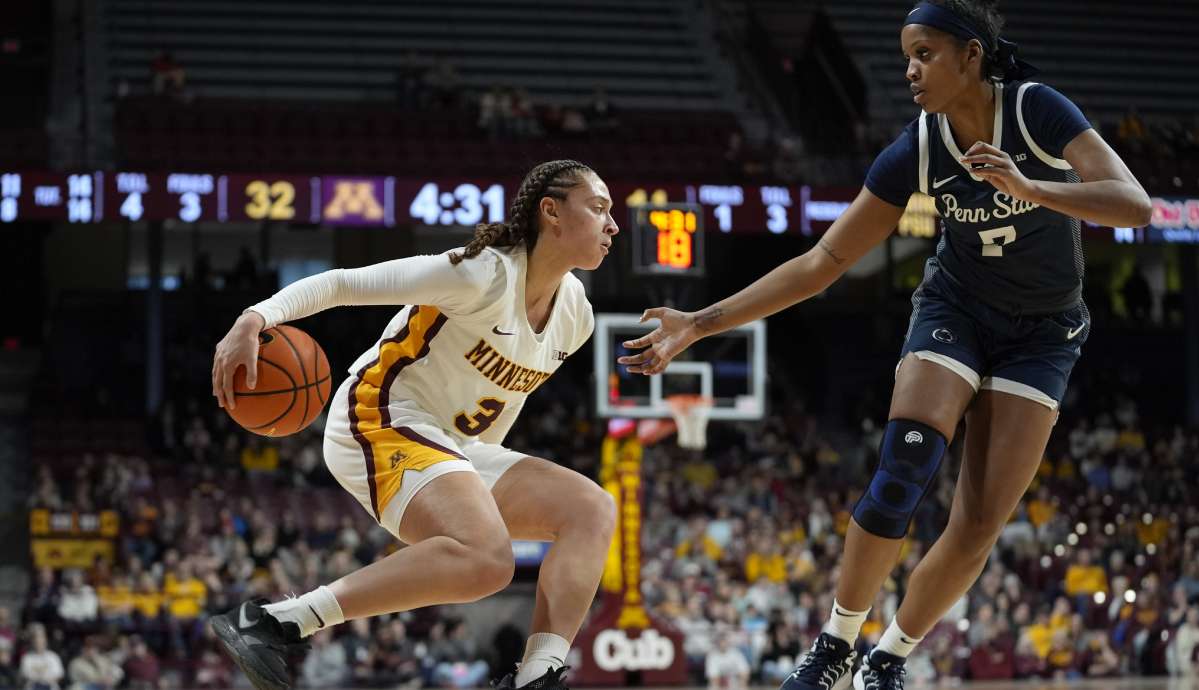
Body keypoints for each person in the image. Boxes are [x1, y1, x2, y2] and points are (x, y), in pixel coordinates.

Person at [620, 2, 1151, 690]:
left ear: (970, 56)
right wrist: (700, 322)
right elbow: (823, 261)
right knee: (905, 462)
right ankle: (836, 642)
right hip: (957, 310)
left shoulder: (1037, 111)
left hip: (1045, 334)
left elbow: (1134, 203)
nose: (910, 70)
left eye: (925, 54)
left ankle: (891, 655)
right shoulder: (918, 147)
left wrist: (1029, 187)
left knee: (981, 521)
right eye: (905, 56)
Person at [209, 160, 619, 690]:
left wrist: (465, 484)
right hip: (378, 416)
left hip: (452, 443)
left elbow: (509, 397)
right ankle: (273, 623)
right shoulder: (480, 274)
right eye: (599, 208)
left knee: (591, 509)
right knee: (489, 560)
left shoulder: (576, 316)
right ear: (551, 213)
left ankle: (538, 676)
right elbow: (343, 284)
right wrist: (255, 318)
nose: (613, 226)